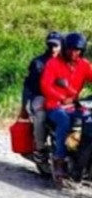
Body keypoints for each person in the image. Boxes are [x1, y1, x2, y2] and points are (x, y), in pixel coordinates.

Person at [40, 31, 92, 183]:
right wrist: (62, 98)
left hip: (74, 105)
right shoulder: (53, 63)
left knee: (88, 121)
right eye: (71, 49)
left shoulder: (84, 65)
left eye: (78, 50)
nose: (74, 53)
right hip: (54, 105)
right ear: (65, 48)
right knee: (64, 121)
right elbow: (45, 85)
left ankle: (82, 159)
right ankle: (59, 160)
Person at [22, 31, 63, 156]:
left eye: (56, 45)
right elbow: (31, 86)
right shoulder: (38, 63)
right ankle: (40, 148)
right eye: (50, 45)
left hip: (62, 98)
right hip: (41, 96)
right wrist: (25, 104)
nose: (53, 48)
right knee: (41, 115)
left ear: (61, 46)